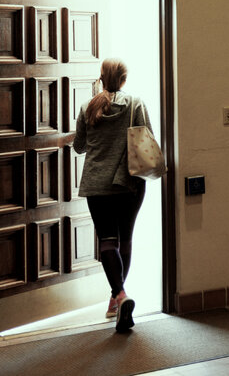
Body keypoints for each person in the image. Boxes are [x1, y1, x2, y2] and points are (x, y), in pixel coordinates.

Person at [73, 58, 149, 332]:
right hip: (128, 183)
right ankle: (117, 298)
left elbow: (79, 146)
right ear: (124, 79)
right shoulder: (136, 104)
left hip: (97, 184)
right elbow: (145, 138)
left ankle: (119, 295)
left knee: (107, 240)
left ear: (101, 78)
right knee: (125, 239)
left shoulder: (87, 107)